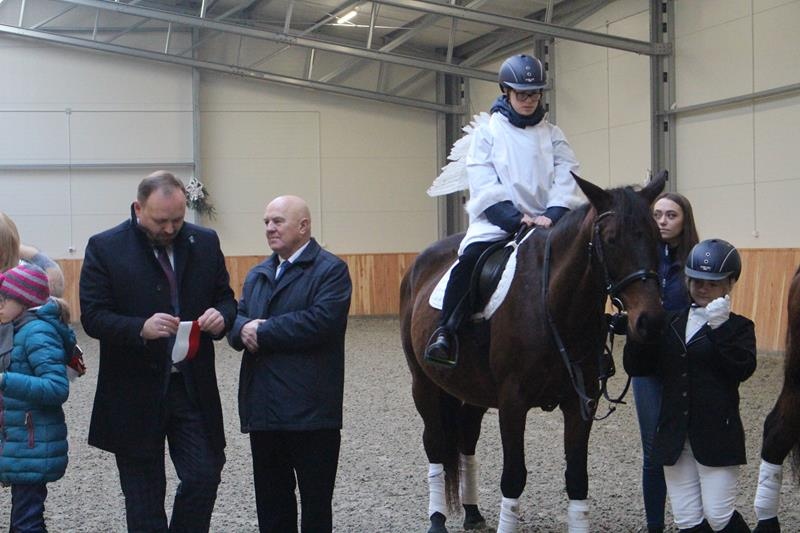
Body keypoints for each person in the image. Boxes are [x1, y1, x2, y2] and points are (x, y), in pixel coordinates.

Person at [79, 171, 237, 532]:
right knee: (143, 499)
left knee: (204, 475)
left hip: (191, 388)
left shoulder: (205, 242)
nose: (169, 229)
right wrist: (139, 328)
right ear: (138, 209)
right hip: (133, 392)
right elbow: (93, 317)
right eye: (160, 221)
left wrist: (222, 316)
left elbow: (226, 299)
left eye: (177, 220)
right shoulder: (105, 247)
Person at [424, 53, 583, 366]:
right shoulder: (488, 132)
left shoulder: (553, 134)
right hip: (498, 223)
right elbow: (483, 179)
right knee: (470, 262)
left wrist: (552, 214)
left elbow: (567, 173)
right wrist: (515, 218)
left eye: (534, 94)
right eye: (522, 94)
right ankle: (447, 332)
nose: (529, 100)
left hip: (547, 222)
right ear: (506, 92)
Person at [227, 195, 351, 533]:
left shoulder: (330, 271)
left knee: (315, 507)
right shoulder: (258, 274)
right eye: (266, 222)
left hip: (311, 413)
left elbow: (321, 322)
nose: (270, 228)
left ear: (304, 226)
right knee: (272, 507)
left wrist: (262, 331)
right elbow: (237, 317)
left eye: (278, 221)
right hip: (264, 411)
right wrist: (241, 329)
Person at [624, 239, 755, 533]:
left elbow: (742, 369)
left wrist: (721, 330)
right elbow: (639, 367)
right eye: (696, 281)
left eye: (712, 283)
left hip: (716, 435)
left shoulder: (739, 327)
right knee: (687, 519)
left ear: (730, 283)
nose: (702, 288)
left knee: (719, 515)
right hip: (674, 435)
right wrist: (636, 329)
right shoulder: (669, 322)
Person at [634, 192, 699, 533]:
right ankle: (654, 524)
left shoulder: (696, 260)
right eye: (657, 214)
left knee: (690, 444)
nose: (662, 221)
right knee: (652, 448)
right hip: (648, 362)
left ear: (685, 220)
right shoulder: (641, 256)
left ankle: (695, 519)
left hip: (686, 363)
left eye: (671, 215)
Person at [0, 263, 76, 532]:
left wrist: (5, 380)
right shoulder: (17, 328)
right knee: (25, 519)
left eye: (4, 299)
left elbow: (56, 387)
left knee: (26, 522)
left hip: (32, 442)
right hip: (19, 441)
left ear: (25, 302)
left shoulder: (38, 333)